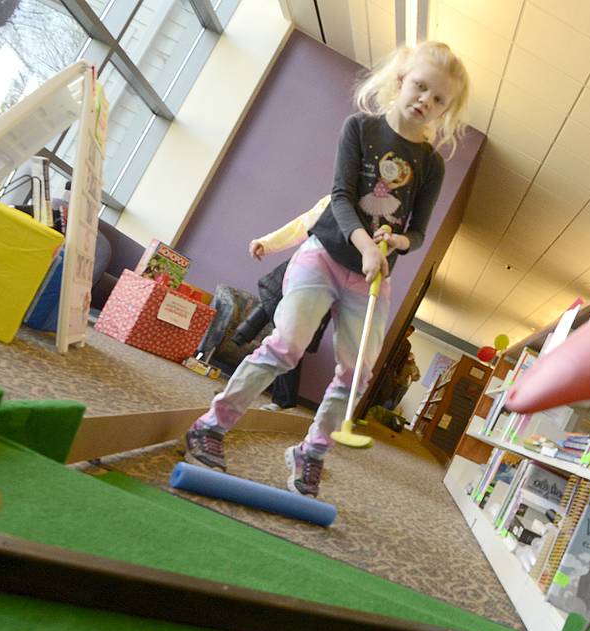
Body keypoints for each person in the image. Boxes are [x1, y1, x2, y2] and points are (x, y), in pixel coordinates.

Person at [183, 41, 469, 496]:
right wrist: (365, 244)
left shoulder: (430, 165)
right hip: (324, 257)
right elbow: (339, 198)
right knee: (286, 347)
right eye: (420, 88)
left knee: (356, 374)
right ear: (400, 81)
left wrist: (395, 241)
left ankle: (310, 454)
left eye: (439, 100)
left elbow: (417, 233)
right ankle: (210, 426)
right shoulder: (360, 128)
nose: (425, 102)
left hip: (371, 280)